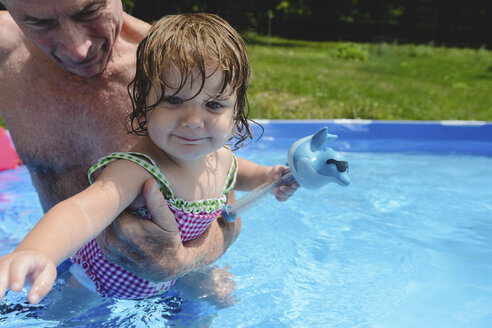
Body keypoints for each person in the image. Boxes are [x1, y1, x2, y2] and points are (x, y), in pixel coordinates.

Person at [0, 13, 298, 304]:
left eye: (214, 104)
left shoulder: (220, 159)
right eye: (174, 100)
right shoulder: (137, 169)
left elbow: (245, 174)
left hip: (172, 275)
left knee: (218, 303)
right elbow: (82, 211)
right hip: (100, 283)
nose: (193, 120)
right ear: (143, 104)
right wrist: (37, 251)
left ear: (236, 112)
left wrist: (272, 178)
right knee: (66, 317)